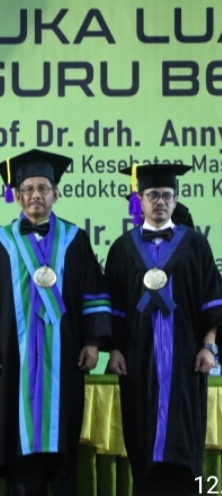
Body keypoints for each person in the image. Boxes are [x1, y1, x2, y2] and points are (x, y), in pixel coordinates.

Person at [0, 149, 112, 496]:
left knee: (62, 447)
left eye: (43, 188)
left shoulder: (75, 239)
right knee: (22, 456)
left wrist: (93, 342)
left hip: (65, 358)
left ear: (56, 194)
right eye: (29, 189)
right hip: (13, 359)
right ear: (18, 196)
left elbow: (93, 293)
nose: (36, 195)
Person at [106, 164, 222, 496]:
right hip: (139, 359)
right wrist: (114, 350)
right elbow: (114, 305)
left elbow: (212, 300)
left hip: (186, 359)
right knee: (142, 440)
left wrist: (209, 346)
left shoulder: (196, 245)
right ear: (140, 200)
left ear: (175, 200)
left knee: (184, 440)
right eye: (153, 195)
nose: (160, 201)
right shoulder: (122, 248)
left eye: (167, 196)